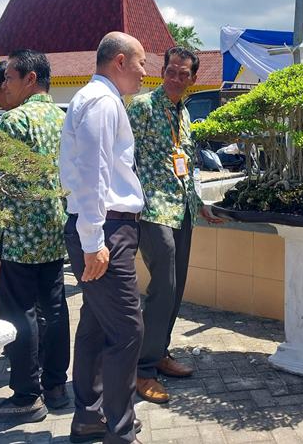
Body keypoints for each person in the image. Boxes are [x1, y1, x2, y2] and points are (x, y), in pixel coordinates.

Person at [0, 50, 71, 422]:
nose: (5, 85)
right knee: (55, 308)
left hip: (16, 233)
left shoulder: (13, 122)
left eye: (10, 78)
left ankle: (27, 395)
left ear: (30, 79)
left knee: (20, 313)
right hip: (52, 228)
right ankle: (57, 386)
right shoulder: (62, 119)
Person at [60, 32, 147, 444]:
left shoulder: (97, 99)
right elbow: (94, 174)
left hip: (102, 226)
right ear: (119, 61)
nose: (145, 73)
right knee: (127, 329)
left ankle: (91, 417)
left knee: (96, 324)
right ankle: (119, 428)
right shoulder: (103, 102)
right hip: (104, 228)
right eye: (141, 63)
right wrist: (95, 240)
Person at [127, 46, 222, 404]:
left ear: (193, 79)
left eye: (184, 74)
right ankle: (142, 369)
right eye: (172, 71)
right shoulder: (141, 107)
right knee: (163, 285)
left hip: (181, 208)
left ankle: (160, 351)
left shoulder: (184, 113)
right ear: (162, 70)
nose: (177, 78)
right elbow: (123, 155)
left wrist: (199, 205)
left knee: (177, 286)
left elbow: (190, 163)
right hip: (152, 209)